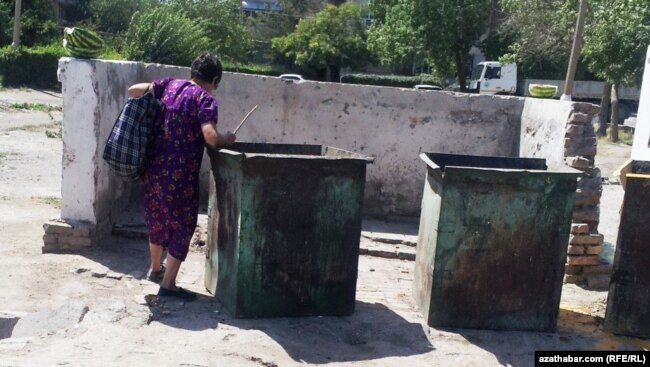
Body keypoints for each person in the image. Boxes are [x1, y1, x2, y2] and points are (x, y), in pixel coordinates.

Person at [128, 53, 235, 301]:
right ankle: (168, 284)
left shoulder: (169, 84)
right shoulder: (205, 100)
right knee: (182, 226)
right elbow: (211, 137)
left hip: (153, 169)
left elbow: (134, 90)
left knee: (156, 219)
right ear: (215, 79)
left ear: (193, 72)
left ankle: (155, 269)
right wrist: (227, 137)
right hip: (180, 176)